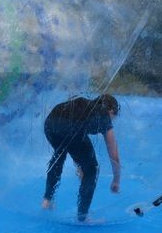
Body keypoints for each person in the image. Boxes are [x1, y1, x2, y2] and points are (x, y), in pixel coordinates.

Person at [41, 94, 121, 222]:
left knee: (60, 153)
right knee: (92, 171)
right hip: (69, 128)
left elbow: (71, 133)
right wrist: (116, 180)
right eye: (114, 117)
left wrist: (79, 163)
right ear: (111, 110)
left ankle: (47, 200)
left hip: (50, 123)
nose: (112, 121)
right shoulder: (104, 116)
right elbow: (114, 155)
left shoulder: (85, 106)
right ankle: (83, 217)